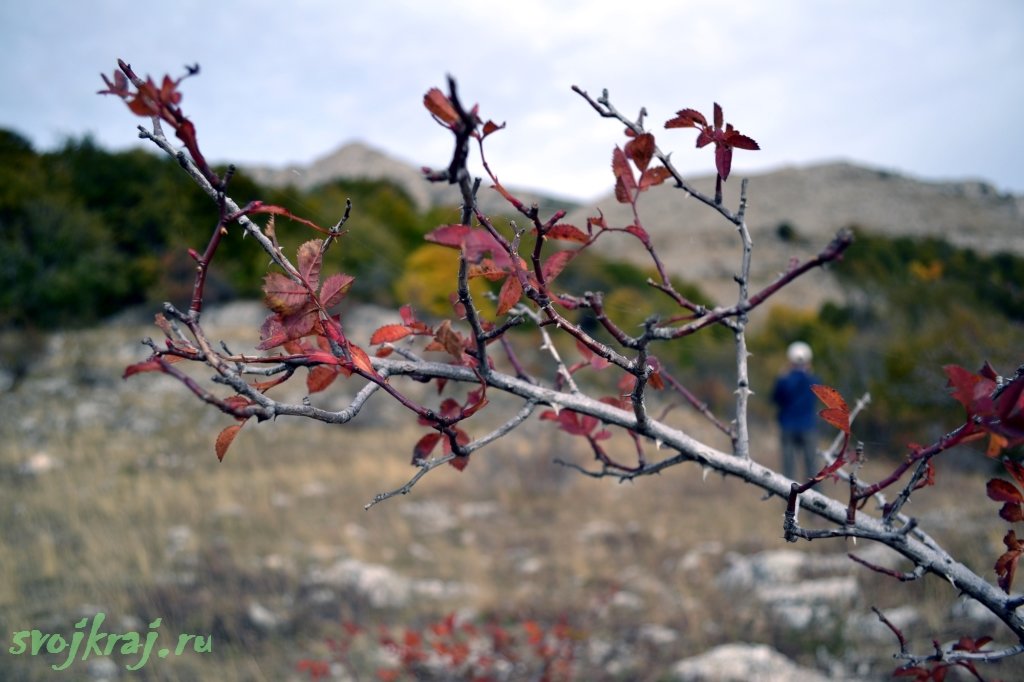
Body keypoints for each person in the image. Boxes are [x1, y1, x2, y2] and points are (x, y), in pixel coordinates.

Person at [771, 341, 822, 481]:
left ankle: (789, 500)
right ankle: (816, 500)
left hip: (787, 426)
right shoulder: (814, 380)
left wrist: (782, 377)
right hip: (808, 427)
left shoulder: (784, 380)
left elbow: (775, 398)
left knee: (788, 470)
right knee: (812, 470)